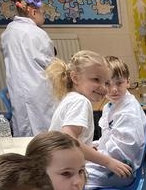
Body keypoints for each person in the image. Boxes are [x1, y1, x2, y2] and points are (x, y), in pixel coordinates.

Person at [46, 50, 133, 180]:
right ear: (75, 78)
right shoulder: (81, 102)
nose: (103, 88)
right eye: (96, 80)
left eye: (106, 82)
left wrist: (87, 147)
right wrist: (108, 162)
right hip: (63, 171)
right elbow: (68, 138)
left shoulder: (71, 97)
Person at [86, 56, 146, 190]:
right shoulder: (111, 105)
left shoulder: (128, 113)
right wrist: (95, 147)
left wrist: (93, 156)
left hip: (120, 169)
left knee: (75, 178)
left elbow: (121, 153)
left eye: (119, 83)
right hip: (111, 161)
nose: (113, 89)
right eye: (108, 84)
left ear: (128, 82)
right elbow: (108, 138)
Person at [0, 0, 55, 136]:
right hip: (38, 87)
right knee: (44, 125)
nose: (44, 17)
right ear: (34, 12)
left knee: (24, 125)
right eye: (43, 13)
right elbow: (51, 64)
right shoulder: (37, 33)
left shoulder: (8, 32)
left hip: (17, 88)